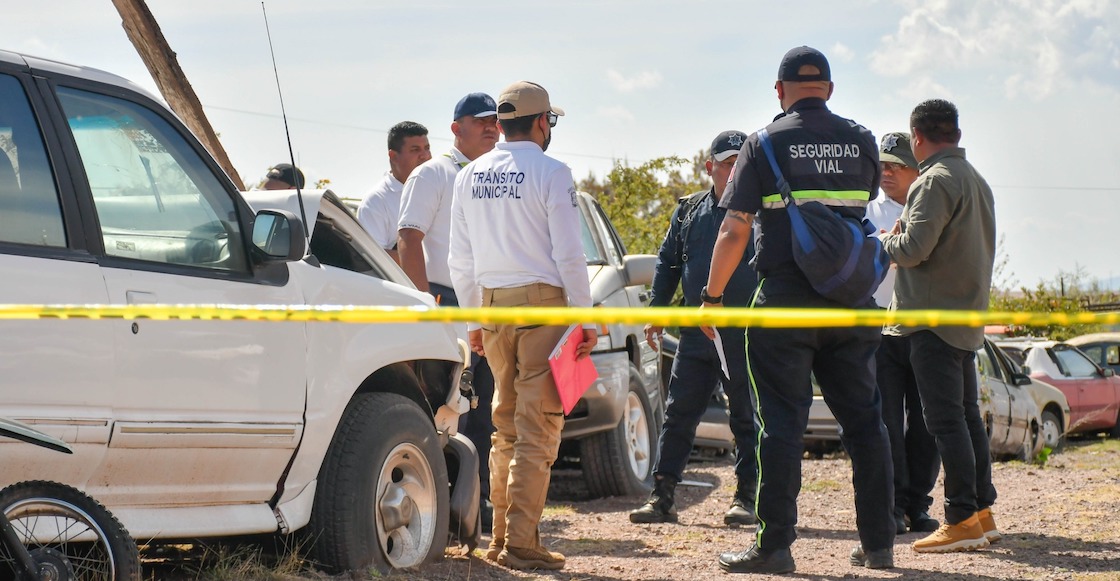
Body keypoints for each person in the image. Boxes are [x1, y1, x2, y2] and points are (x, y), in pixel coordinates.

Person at [702, 46, 895, 574]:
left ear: (780, 91)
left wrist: (713, 297)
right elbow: (859, 211)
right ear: (828, 89)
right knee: (866, 423)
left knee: (780, 425)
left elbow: (735, 228)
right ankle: (879, 545)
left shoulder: (763, 142)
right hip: (852, 303)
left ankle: (775, 547)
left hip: (785, 303)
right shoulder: (862, 139)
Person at [448, 80, 596, 571]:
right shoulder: (553, 172)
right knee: (539, 427)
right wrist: (585, 317)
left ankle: (499, 540)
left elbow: (460, 260)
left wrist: (474, 319)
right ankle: (521, 541)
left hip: (493, 311)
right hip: (543, 311)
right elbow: (569, 254)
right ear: (540, 122)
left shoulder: (469, 175)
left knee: (504, 427)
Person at [880, 99, 998, 553]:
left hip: (929, 320)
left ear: (917, 138)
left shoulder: (932, 181)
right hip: (962, 316)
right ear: (957, 134)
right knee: (966, 418)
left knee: (945, 422)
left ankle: (961, 518)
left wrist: (889, 241)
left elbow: (912, 250)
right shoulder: (975, 179)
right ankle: (981, 514)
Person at [629, 130, 759, 527]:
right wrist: (657, 311)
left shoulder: (763, 212)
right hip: (696, 332)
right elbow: (667, 263)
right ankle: (662, 496)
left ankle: (746, 498)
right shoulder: (688, 211)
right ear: (710, 168)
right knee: (679, 413)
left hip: (745, 332)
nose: (736, 169)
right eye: (728, 162)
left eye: (742, 162)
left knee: (746, 415)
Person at [397, 92, 500, 532]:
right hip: (444, 299)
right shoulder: (433, 172)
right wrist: (423, 306)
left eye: (496, 121)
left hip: (485, 301)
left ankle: (479, 508)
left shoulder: (492, 176)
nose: (492, 128)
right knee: (447, 409)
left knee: (485, 410)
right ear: (457, 127)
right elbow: (409, 237)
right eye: (481, 122)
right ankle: (442, 514)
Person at [868, 132, 942, 536]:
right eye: (883, 164)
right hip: (878, 327)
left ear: (918, 170)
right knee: (885, 421)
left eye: (897, 165)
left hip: (922, 325)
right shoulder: (866, 210)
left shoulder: (932, 208)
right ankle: (893, 505)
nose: (887, 172)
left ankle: (919, 504)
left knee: (927, 420)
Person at [356, 121, 431, 263]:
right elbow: (374, 257)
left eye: (427, 148)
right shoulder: (376, 201)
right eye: (415, 150)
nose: (425, 156)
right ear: (393, 156)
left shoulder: (437, 188)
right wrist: (425, 264)